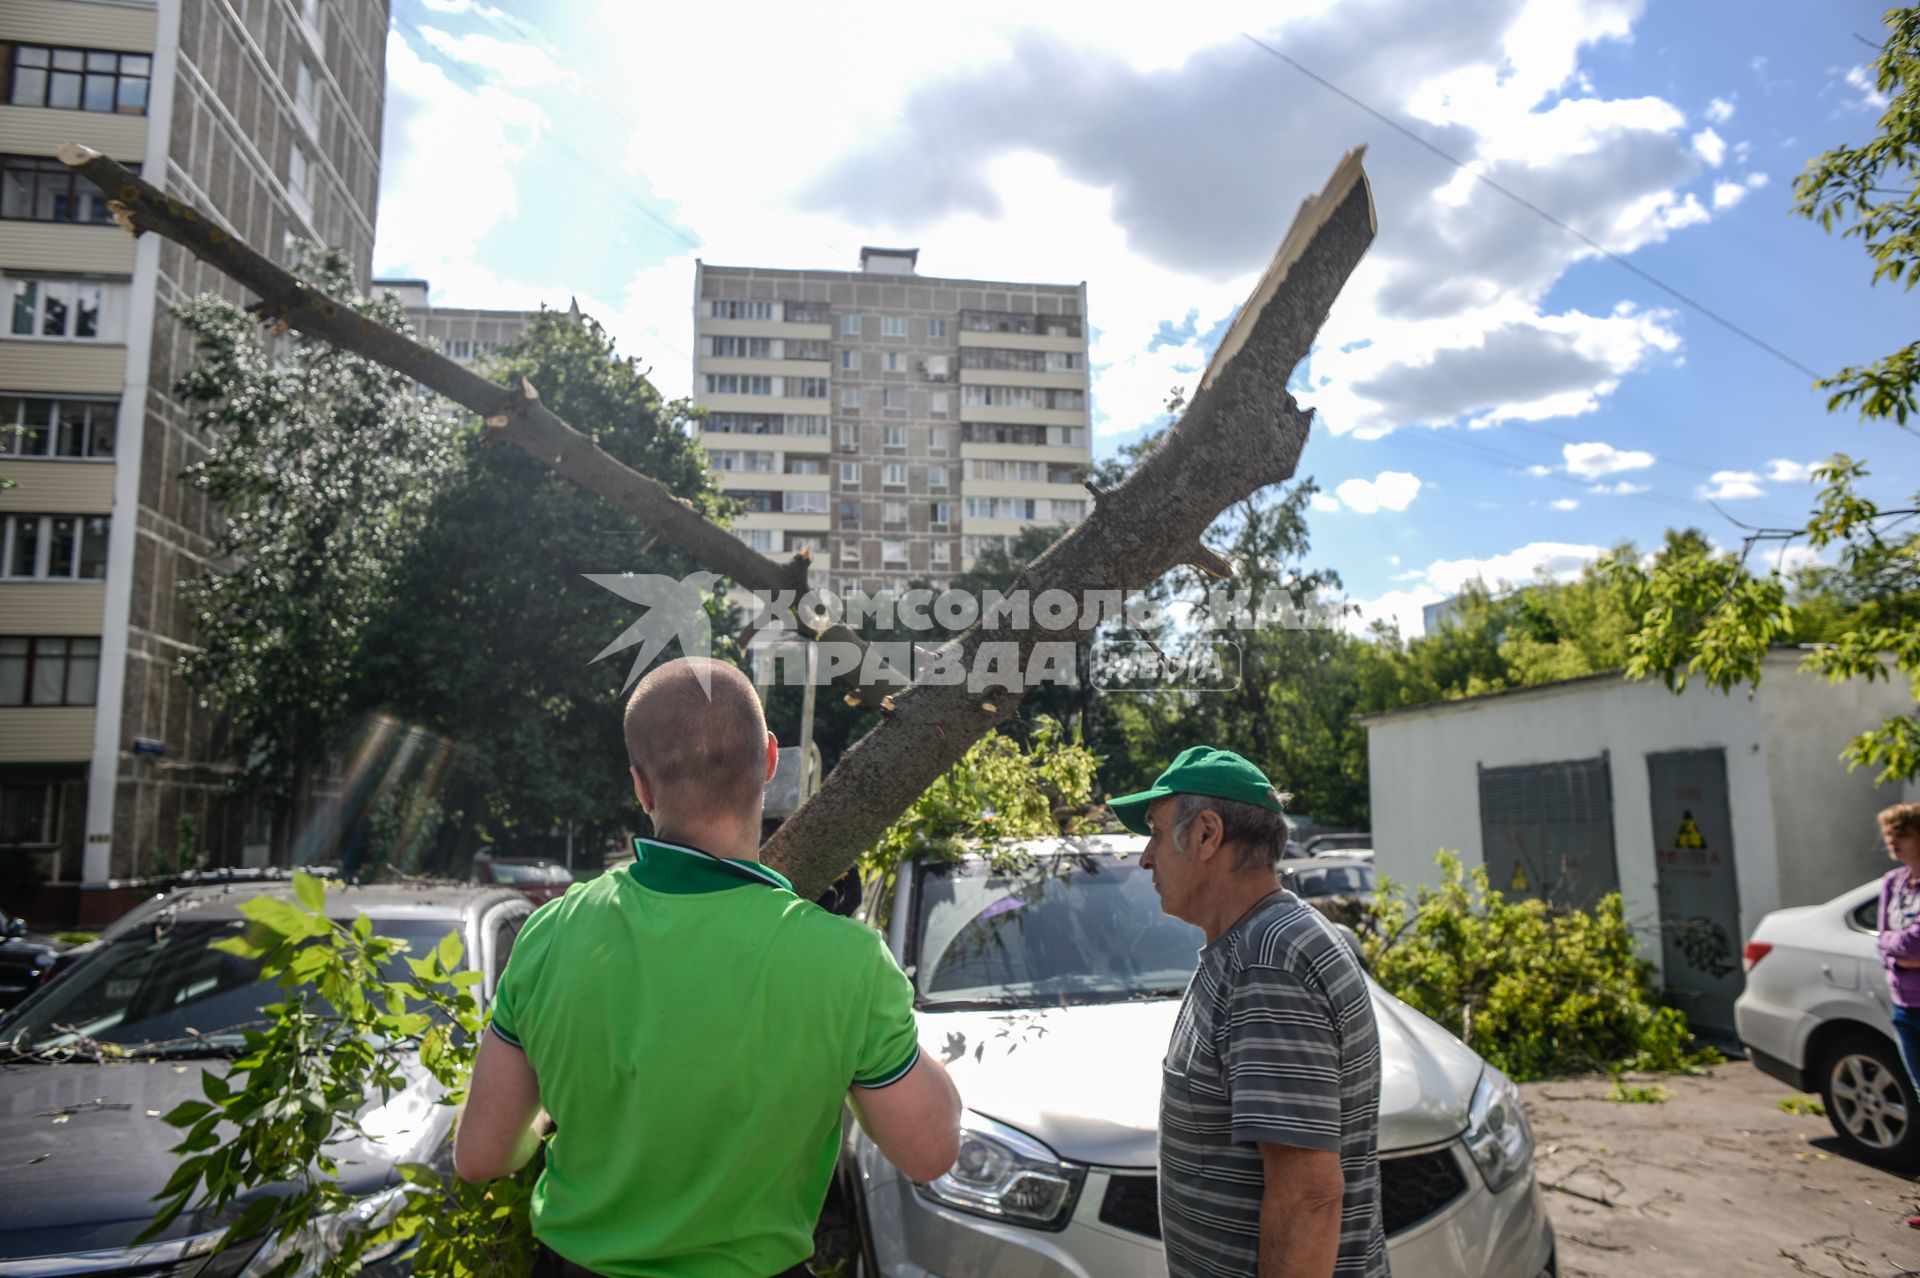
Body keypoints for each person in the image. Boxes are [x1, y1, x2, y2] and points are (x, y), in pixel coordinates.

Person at [453, 656, 961, 1278]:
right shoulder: (847, 961)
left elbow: (480, 1156)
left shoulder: (549, 932)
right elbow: (932, 1150)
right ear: (771, 760)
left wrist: (544, 1123)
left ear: (641, 785)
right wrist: (871, 1006)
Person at [1109, 745, 1388, 1278]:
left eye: (1156, 832)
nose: (1146, 856)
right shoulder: (1253, 945)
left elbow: (1309, 1197)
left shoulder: (1268, 964)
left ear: (1207, 834)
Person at [1877, 803, 1920, 1093]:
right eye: (1888, 834)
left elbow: (1916, 942)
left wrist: (1898, 946)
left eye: (1902, 833)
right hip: (1903, 1005)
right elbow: (1881, 939)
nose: (1893, 841)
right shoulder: (1894, 882)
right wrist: (1900, 952)